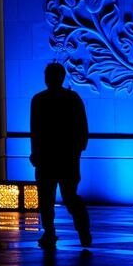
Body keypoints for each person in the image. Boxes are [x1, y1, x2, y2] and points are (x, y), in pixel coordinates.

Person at [30, 62, 91, 250]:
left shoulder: (39, 100)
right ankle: (81, 229)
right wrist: (78, 149)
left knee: (47, 198)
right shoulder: (72, 98)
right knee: (68, 196)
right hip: (66, 158)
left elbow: (36, 130)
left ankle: (50, 231)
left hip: (48, 158)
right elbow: (82, 127)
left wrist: (36, 152)